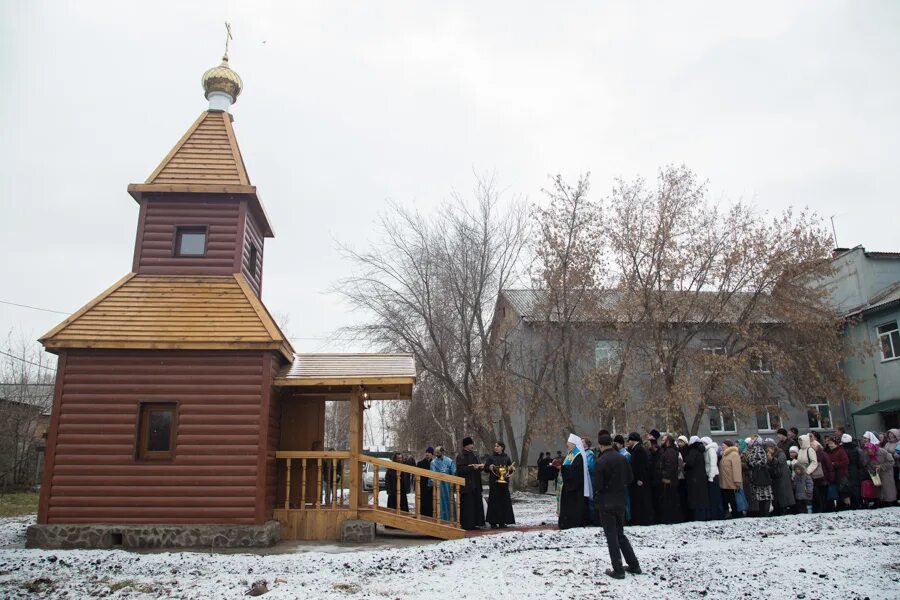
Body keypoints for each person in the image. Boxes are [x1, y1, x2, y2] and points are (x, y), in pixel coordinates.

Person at [593, 433, 641, 580]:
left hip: (606, 502)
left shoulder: (601, 461)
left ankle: (618, 569)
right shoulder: (621, 458)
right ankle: (634, 565)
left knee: (611, 536)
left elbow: (598, 485)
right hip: (620, 501)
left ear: (601, 445)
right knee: (620, 534)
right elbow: (629, 478)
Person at [558, 433, 592, 529]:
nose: (567, 445)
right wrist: (562, 467)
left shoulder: (578, 455)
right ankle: (566, 522)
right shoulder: (571, 454)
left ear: (573, 444)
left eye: (569, 443)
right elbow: (568, 467)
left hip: (575, 487)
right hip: (568, 485)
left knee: (574, 506)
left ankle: (572, 522)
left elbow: (576, 470)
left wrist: (563, 468)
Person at [456, 437, 486, 530]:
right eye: (471, 444)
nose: (472, 446)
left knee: (476, 504)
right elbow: (460, 470)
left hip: (476, 483)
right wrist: (472, 468)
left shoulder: (475, 455)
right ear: (466, 445)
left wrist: (480, 467)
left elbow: (478, 465)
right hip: (467, 485)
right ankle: (467, 524)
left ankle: (476, 523)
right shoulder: (461, 456)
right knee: (468, 505)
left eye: (472, 444)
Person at [484, 441, 515, 528]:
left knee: (503, 502)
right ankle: (493, 522)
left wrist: (512, 469)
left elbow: (509, 469)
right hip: (494, 483)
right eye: (495, 446)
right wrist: (489, 468)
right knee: (494, 502)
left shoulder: (506, 457)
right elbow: (485, 468)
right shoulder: (491, 457)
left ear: (502, 447)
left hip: (504, 483)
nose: (496, 447)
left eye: (497, 446)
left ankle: (502, 521)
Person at [625, 433, 654, 525]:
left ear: (634, 440)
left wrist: (640, 478)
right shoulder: (637, 449)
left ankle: (642, 519)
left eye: (629, 440)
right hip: (637, 479)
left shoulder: (639, 450)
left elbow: (641, 466)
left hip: (639, 480)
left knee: (641, 500)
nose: (628, 442)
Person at [653, 434, 681, 524]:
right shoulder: (667, 451)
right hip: (668, 480)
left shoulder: (670, 452)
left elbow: (670, 466)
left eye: (663, 440)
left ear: (667, 441)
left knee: (669, 501)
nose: (661, 441)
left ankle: (670, 519)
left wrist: (665, 476)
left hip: (669, 481)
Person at [684, 436, 710, 521]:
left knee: (696, 500)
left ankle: (698, 518)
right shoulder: (701, 451)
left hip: (694, 478)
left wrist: (685, 464)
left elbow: (690, 463)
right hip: (700, 478)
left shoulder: (693, 451)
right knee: (702, 499)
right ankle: (703, 516)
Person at [746, 439, 773, 517]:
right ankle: (763, 514)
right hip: (758, 474)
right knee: (761, 495)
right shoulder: (753, 449)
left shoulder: (758, 449)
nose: (750, 442)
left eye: (752, 441)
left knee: (764, 495)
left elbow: (763, 461)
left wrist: (753, 464)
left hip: (761, 475)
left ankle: (765, 514)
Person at [767, 440, 794, 516]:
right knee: (776, 494)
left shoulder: (780, 452)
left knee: (783, 494)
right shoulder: (772, 453)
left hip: (782, 476)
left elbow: (780, 462)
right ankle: (777, 509)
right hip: (775, 476)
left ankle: (784, 509)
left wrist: (772, 459)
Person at [430, 446, 456, 521]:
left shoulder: (449, 461)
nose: (437, 454)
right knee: (440, 502)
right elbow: (432, 473)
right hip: (439, 485)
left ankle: (451, 519)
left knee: (450, 501)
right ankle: (441, 519)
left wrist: (450, 475)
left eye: (438, 452)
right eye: (436, 453)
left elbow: (453, 471)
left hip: (448, 485)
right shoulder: (433, 462)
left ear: (442, 452)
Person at [719, 440, 742, 518]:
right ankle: (729, 514)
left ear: (728, 446)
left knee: (733, 500)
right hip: (724, 482)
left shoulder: (734, 454)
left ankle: (736, 514)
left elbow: (737, 469)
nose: (722, 446)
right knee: (725, 500)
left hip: (731, 482)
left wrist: (737, 481)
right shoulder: (725, 455)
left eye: (723, 445)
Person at [701, 437, 723, 520]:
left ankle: (717, 514)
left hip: (713, 476)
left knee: (715, 496)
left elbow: (713, 465)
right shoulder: (706, 451)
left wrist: (711, 477)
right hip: (709, 475)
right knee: (712, 496)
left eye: (703, 443)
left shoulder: (711, 450)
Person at [826, 437, 849, 510]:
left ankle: (847, 505)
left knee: (843, 490)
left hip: (842, 473)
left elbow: (845, 462)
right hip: (834, 474)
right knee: (837, 490)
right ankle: (840, 505)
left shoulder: (840, 451)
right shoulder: (830, 452)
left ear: (836, 444)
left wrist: (834, 464)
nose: (830, 445)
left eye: (831, 444)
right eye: (829, 444)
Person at [841, 434, 863, 509]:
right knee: (855, 486)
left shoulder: (841, 449)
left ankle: (849, 503)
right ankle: (858, 502)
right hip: (854, 469)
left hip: (845, 469)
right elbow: (860, 461)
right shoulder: (856, 448)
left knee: (847, 486)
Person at [614, 434, 632, 523]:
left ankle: (627, 517)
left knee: (625, 499)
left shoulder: (625, 454)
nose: (615, 445)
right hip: (618, 481)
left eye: (617, 443)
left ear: (621, 444)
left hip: (623, 481)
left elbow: (627, 469)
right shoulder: (617, 453)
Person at [417, 447, 434, 518]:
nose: (427, 454)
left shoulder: (434, 463)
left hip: (431, 488)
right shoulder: (420, 463)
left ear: (432, 454)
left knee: (431, 504)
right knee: (423, 503)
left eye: (429, 452)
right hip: (422, 487)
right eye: (426, 452)